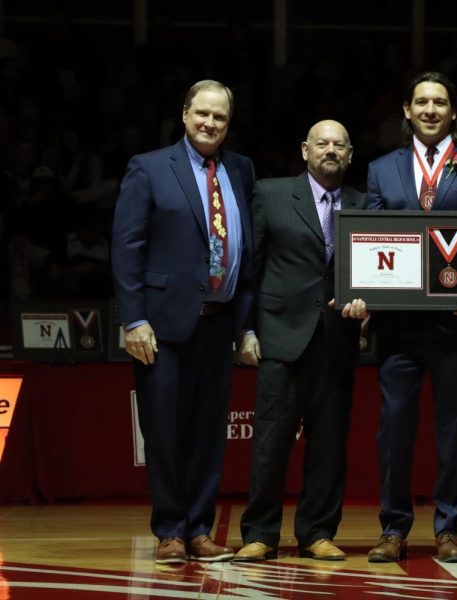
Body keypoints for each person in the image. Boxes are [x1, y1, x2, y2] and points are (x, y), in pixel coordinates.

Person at [361, 71, 457, 563]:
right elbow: (369, 242)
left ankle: (449, 528)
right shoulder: (381, 169)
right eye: (421, 102)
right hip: (399, 326)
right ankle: (393, 529)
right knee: (395, 430)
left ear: (453, 113)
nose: (430, 110)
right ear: (406, 110)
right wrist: (361, 292)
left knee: (452, 430)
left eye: (440, 103)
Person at [111, 80, 255, 564]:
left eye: (219, 117)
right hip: (162, 325)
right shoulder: (149, 167)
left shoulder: (240, 169)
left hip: (219, 322)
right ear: (185, 113)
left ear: (228, 123)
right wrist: (133, 319)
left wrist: (245, 324)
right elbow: (127, 247)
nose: (210, 123)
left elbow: (247, 252)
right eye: (202, 114)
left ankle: (198, 529)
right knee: (166, 430)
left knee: (208, 433)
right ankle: (169, 528)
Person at [233, 120, 364, 562]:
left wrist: (370, 307)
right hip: (280, 335)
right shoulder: (270, 193)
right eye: (322, 143)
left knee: (329, 444)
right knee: (270, 442)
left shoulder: (365, 204)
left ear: (350, 155)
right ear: (304, 150)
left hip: (338, 338)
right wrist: (246, 329)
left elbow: (376, 273)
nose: (331, 150)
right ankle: (259, 534)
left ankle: (317, 532)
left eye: (339, 145)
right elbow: (249, 268)